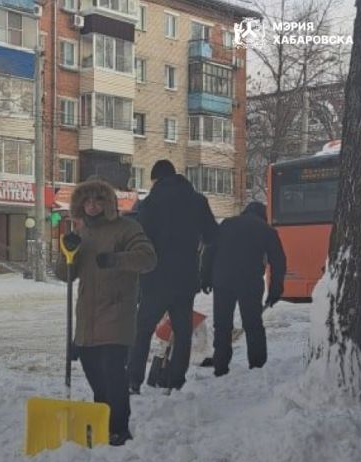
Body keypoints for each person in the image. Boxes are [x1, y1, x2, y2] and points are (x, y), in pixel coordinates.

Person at [55, 178, 157, 445]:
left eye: (98, 200)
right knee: (93, 373)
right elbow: (64, 275)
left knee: (113, 373)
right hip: (87, 317)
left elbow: (148, 258)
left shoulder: (126, 228)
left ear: (108, 203)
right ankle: (102, 421)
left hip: (116, 312)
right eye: (87, 200)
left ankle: (119, 428)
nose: (92, 206)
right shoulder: (82, 233)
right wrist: (67, 252)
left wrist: (116, 260)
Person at [128, 160, 219, 393]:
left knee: (143, 330)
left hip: (154, 278)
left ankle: (133, 380)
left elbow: (140, 238)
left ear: (156, 179)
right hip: (185, 279)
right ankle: (175, 380)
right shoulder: (198, 201)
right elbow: (212, 236)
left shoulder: (148, 203)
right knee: (182, 331)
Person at [201, 201, 286, 376]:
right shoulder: (266, 230)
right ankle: (257, 366)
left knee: (222, 325)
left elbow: (209, 251)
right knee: (253, 324)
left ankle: (220, 366)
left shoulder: (226, 224)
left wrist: (205, 278)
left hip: (223, 280)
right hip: (250, 282)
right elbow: (278, 261)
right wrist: (275, 289)